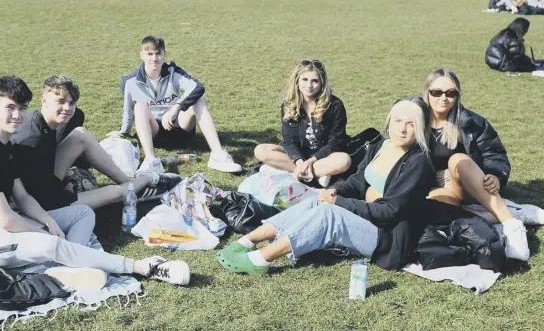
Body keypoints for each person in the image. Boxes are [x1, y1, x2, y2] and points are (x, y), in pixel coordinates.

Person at [0, 76, 190, 289]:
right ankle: (143, 267)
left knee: (82, 213)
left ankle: (71, 268)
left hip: (5, 221)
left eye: (22, 108)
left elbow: (22, 197)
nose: (18, 115)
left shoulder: (5, 145)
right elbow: (6, 219)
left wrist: (48, 220)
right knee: (50, 243)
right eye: (10, 107)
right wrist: (48, 234)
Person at [217, 97, 434, 274]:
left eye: (411, 124)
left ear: (422, 127)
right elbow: (358, 181)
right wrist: (335, 191)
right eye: (397, 121)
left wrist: (339, 202)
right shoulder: (383, 145)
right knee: (317, 198)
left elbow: (389, 211)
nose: (402, 130)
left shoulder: (419, 162)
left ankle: (260, 259)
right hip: (369, 217)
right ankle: (247, 241)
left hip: (387, 239)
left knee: (329, 215)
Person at [12, 75, 181, 210]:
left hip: (45, 179)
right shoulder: (32, 139)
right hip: (44, 201)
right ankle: (146, 180)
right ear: (44, 101)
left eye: (71, 103)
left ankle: (127, 180)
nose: (67, 108)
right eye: (60, 102)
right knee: (115, 194)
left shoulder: (51, 121)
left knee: (80, 135)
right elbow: (37, 196)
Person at [422, 69, 529, 261]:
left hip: (470, 184)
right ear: (427, 92)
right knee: (431, 210)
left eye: (451, 93)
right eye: (437, 92)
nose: (443, 98)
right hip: (437, 189)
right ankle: (507, 212)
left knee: (458, 160)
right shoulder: (416, 121)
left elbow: (494, 153)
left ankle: (512, 226)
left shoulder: (471, 122)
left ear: (458, 95)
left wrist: (496, 175)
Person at [111, 35, 242, 174]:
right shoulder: (130, 81)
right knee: (139, 107)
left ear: (164, 54)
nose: (154, 59)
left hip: (179, 127)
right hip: (154, 133)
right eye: (149, 54)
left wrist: (175, 108)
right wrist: (122, 132)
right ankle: (151, 161)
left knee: (198, 101)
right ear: (141, 55)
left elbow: (198, 87)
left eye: (158, 53)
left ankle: (218, 155)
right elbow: (128, 111)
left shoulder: (174, 73)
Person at [254, 60, 351, 188]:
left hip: (323, 157)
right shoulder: (288, 105)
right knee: (260, 150)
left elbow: (336, 142)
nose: (309, 85)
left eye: (314, 81)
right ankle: (312, 173)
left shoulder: (335, 105)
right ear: (297, 80)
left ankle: (294, 172)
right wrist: (299, 162)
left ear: (322, 82)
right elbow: (289, 141)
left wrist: (311, 161)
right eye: (304, 79)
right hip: (297, 156)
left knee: (344, 160)